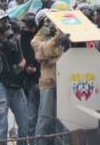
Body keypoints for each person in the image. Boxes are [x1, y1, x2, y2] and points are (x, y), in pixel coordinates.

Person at [0, 10, 29, 144]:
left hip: (17, 87)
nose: (6, 24)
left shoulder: (14, 40)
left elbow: (23, 60)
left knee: (24, 125)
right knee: (2, 127)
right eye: (2, 22)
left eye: (6, 21)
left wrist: (20, 67)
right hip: (1, 87)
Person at [32, 9, 68, 145]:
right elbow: (43, 52)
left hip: (65, 81)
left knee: (62, 119)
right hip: (48, 82)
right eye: (47, 21)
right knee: (45, 118)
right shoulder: (36, 40)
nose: (51, 24)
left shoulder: (62, 34)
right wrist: (56, 39)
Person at [19, 13, 40, 138]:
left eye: (26, 26)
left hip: (41, 80)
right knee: (31, 115)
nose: (24, 28)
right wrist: (27, 68)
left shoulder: (38, 39)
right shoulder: (22, 38)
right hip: (28, 81)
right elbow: (21, 57)